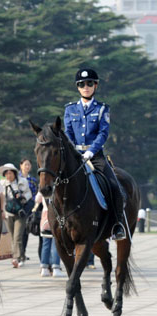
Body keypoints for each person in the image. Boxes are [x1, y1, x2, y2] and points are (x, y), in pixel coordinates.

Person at [64, 68, 126, 241]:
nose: (86, 87)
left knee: (114, 187)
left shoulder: (102, 109)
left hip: (95, 155)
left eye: (90, 83)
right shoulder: (70, 109)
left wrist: (90, 151)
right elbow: (68, 132)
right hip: (75, 155)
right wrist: (76, 152)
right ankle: (52, 221)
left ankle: (117, 225)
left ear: (95, 85)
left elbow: (103, 133)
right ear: (78, 87)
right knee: (56, 182)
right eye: (82, 84)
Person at [0, 163, 32, 268]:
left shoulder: (22, 182)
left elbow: (29, 194)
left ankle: (16, 258)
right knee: (13, 237)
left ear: (14, 173)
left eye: (10, 173)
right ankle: (21, 256)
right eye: (6, 173)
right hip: (8, 213)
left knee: (17, 236)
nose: (8, 175)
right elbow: (1, 199)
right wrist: (1, 211)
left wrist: (22, 196)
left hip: (20, 213)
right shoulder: (2, 184)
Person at [19, 158, 38, 260]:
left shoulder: (33, 180)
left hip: (29, 207)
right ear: (21, 166)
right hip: (18, 207)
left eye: (29, 165)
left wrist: (31, 201)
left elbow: (36, 193)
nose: (27, 167)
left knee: (25, 231)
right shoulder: (17, 177)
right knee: (18, 232)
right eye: (25, 164)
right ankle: (18, 253)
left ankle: (23, 253)